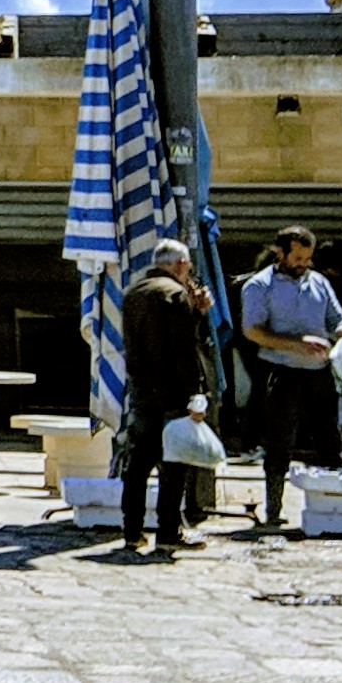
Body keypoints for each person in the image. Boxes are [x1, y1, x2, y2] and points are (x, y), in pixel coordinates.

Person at [239, 226, 342, 532]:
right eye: (297, 258)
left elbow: (337, 318)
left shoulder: (319, 282)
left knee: (330, 437)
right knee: (280, 440)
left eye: (307, 258)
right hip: (281, 371)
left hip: (319, 371)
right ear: (280, 253)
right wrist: (297, 344)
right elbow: (253, 331)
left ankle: (338, 507)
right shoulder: (260, 286)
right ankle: (274, 510)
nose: (303, 264)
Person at [118, 237, 218, 559]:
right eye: (188, 266)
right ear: (180, 264)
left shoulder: (134, 292)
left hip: (142, 389)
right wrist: (196, 394)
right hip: (173, 392)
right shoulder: (175, 295)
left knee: (139, 463)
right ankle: (167, 533)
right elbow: (185, 349)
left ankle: (132, 532)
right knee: (174, 465)